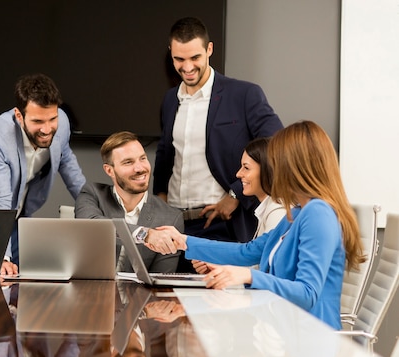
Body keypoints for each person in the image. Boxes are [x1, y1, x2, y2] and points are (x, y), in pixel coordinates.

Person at [153, 121, 365, 330]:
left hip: (310, 344)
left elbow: (307, 293)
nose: (273, 170)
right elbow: (247, 252)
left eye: (276, 162)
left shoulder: (317, 214)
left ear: (295, 166)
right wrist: (183, 241)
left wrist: (248, 276)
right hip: (284, 333)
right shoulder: (299, 213)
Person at [153, 16, 283, 271]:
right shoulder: (170, 99)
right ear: (171, 53)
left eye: (195, 58)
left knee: (213, 307)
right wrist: (160, 204)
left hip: (222, 226)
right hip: (175, 224)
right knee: (167, 303)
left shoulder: (244, 94)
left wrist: (235, 194)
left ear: (209, 49)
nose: (187, 67)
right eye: (179, 59)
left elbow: (277, 146)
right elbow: (166, 154)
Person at [0, 73, 86, 270]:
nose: (47, 129)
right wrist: (2, 257)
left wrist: (93, 206)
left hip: (16, 220)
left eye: (52, 118)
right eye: (38, 121)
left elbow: (68, 163)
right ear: (19, 116)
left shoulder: (61, 122)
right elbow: (1, 200)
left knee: (21, 284)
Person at [75, 131, 183, 272]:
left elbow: (161, 280)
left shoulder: (171, 217)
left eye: (143, 159)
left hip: (138, 293)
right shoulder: (92, 194)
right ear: (109, 171)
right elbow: (93, 225)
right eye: (128, 162)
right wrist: (145, 234)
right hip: (90, 290)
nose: (140, 168)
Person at [193, 138, 286, 273]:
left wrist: (185, 242)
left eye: (246, 168)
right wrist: (218, 268)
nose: (238, 174)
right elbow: (257, 264)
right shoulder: (268, 208)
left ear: (267, 169)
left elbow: (266, 269)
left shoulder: (278, 211)